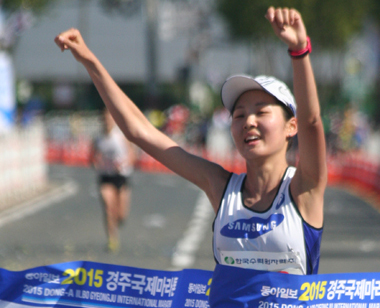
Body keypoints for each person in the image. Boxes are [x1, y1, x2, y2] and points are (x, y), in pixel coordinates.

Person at [55, 7, 326, 274]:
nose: (249, 122)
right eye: (239, 115)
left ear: (292, 126)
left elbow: (312, 123)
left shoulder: (305, 189)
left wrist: (299, 51)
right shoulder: (221, 187)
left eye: (261, 112)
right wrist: (89, 60)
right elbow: (139, 131)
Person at [90, 109, 136, 252]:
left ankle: (117, 222)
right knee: (108, 207)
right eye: (104, 119)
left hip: (121, 176)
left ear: (113, 121)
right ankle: (112, 239)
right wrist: (97, 163)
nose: (107, 122)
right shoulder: (98, 138)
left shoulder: (120, 137)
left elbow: (132, 156)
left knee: (121, 214)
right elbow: (91, 157)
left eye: (109, 119)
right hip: (105, 176)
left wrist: (123, 164)